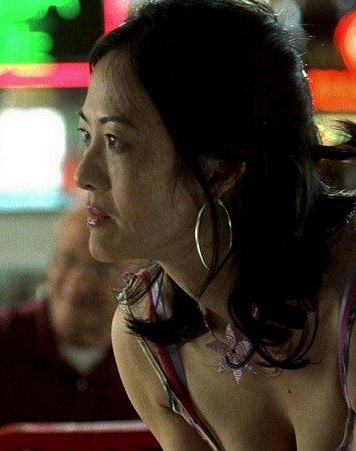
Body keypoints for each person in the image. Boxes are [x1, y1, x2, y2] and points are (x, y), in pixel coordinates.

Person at [74, 0, 356, 450]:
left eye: (115, 141)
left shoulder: (346, 303)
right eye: (86, 135)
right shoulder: (147, 336)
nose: (84, 174)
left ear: (221, 167)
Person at [0, 202, 139, 442]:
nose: (78, 280)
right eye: (68, 260)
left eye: (101, 268)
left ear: (136, 280)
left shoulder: (151, 358)